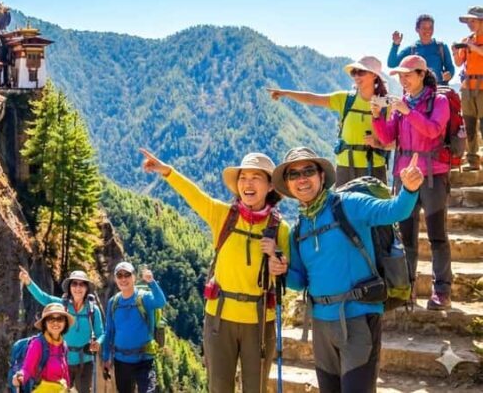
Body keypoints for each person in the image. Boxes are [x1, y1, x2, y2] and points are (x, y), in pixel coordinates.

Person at [267, 147, 423, 393]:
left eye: (308, 171)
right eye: (294, 174)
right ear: (288, 184)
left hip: (359, 318)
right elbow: (299, 281)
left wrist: (410, 188)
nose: (302, 179)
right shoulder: (300, 228)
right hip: (321, 325)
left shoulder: (348, 204)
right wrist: (282, 269)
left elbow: (394, 210)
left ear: (321, 176)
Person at [139, 148, 290, 393]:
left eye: (255, 178)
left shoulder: (280, 229)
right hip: (220, 319)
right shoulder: (223, 216)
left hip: (261, 321)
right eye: (243, 177)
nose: (247, 184)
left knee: (256, 388)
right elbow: (195, 195)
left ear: (270, 186)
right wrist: (167, 171)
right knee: (219, 387)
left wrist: (278, 261)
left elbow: (289, 275)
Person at [371, 55, 452, 310]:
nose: (402, 80)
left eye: (407, 75)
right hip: (405, 177)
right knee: (406, 236)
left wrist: (408, 112)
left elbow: (433, 130)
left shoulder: (439, 101)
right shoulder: (402, 103)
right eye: (400, 76)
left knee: (437, 234)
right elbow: (387, 138)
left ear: (421, 74)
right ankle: (407, 288)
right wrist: (377, 117)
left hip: (433, 175)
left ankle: (442, 291)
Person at [267, 56, 390, 185]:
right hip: (345, 166)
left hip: (374, 167)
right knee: (342, 205)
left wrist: (379, 144)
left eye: (361, 72)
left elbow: (395, 140)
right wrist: (286, 93)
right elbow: (312, 99)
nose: (356, 76)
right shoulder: (345, 99)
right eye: (354, 72)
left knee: (376, 205)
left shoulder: (386, 105)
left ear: (374, 76)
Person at [19, 267, 104, 392]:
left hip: (85, 361)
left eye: (82, 284)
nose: (78, 287)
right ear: (70, 287)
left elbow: (101, 333)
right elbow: (44, 298)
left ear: (87, 288)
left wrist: (98, 343)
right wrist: (29, 282)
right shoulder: (62, 305)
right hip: (62, 359)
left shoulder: (92, 310)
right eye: (74, 283)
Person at [102, 261, 166, 393]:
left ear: (134, 277)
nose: (123, 279)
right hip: (121, 360)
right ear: (115, 279)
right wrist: (105, 357)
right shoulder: (113, 302)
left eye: (127, 275)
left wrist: (151, 282)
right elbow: (109, 331)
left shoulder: (144, 298)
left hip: (144, 359)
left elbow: (160, 301)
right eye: (119, 275)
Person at [12, 303, 73, 393]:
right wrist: (20, 376)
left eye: (60, 319)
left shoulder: (63, 345)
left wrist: (68, 388)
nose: (55, 322)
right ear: (45, 323)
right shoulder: (37, 344)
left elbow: (65, 372)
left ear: (65, 323)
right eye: (50, 319)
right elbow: (27, 369)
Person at [453, 6, 483, 170]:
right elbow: (459, 63)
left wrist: (473, 47)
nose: (469, 24)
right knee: (470, 124)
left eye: (473, 20)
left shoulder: (472, 42)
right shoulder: (467, 39)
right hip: (467, 87)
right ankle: (472, 160)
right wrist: (454, 52)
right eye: (468, 21)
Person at [389, 14, 455, 85]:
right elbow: (392, 63)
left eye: (430, 28)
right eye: (424, 28)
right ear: (417, 29)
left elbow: (450, 67)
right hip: (417, 90)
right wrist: (395, 45)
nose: (428, 31)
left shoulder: (441, 47)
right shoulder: (411, 49)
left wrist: (449, 74)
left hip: (438, 89)